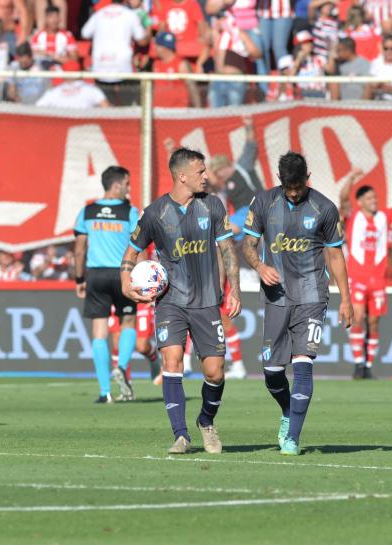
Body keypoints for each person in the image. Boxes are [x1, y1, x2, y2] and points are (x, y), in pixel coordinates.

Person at [120, 147, 241, 455]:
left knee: (214, 372)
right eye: (201, 172)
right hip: (170, 301)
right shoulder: (155, 213)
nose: (206, 176)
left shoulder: (212, 206)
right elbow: (131, 253)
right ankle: (180, 435)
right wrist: (126, 281)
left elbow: (228, 251)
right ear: (182, 176)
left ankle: (206, 421)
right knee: (171, 361)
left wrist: (235, 290)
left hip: (206, 302)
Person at [240, 151, 354, 456]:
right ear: (280, 182)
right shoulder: (263, 203)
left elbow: (335, 255)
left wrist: (346, 298)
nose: (294, 194)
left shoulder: (324, 208)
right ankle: (288, 410)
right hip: (276, 297)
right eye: (289, 189)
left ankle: (292, 437)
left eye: (299, 188)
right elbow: (248, 244)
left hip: (312, 296)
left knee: (303, 366)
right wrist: (260, 267)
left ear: (308, 179)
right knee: (272, 372)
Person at [341, 168, 392, 379]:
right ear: (360, 202)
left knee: (374, 322)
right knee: (357, 318)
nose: (373, 200)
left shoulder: (384, 217)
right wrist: (350, 179)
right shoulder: (353, 216)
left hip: (377, 280)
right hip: (357, 277)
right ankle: (358, 364)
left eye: (375, 197)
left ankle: (368, 366)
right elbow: (343, 199)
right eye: (368, 197)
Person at [73, 166, 140, 404]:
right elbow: (138, 246)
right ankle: (121, 366)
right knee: (128, 321)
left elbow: (80, 249)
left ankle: (105, 392)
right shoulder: (130, 212)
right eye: (127, 183)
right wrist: (138, 277)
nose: (128, 188)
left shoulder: (87, 211)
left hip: (96, 275)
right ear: (116, 185)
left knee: (99, 331)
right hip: (122, 273)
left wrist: (79, 278)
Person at [80, 0, 147, 106]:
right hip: (122, 67)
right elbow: (141, 39)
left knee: (106, 108)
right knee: (125, 106)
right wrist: (147, 24)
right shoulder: (130, 15)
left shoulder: (99, 14)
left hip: (101, 65)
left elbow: (85, 33)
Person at [152, 31, 201, 108]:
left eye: (158, 45)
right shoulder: (156, 64)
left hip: (177, 110)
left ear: (165, 47)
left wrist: (198, 109)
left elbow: (192, 87)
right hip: (158, 109)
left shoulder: (181, 64)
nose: (155, 48)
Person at [365, 33, 392, 101]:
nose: (389, 51)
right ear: (382, 48)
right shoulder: (376, 62)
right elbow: (371, 86)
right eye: (386, 48)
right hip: (378, 101)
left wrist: (383, 86)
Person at [328, 36, 370, 100]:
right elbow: (330, 72)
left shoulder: (364, 63)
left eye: (339, 50)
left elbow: (367, 87)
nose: (337, 53)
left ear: (348, 50)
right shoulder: (338, 64)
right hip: (342, 106)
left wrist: (363, 106)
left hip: (359, 106)